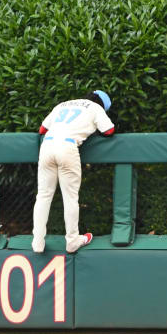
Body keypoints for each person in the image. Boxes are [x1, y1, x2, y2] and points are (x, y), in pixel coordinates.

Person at [32, 90, 115, 253]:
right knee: (70, 198)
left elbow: (42, 129)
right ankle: (72, 241)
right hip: (68, 147)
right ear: (103, 105)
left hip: (47, 145)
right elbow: (109, 131)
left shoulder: (63, 104)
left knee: (43, 195)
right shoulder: (96, 108)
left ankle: (37, 242)